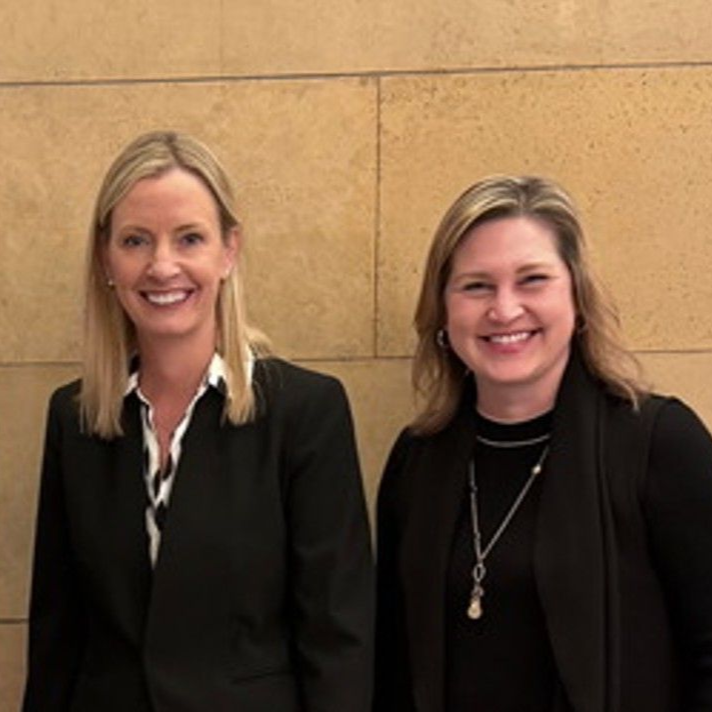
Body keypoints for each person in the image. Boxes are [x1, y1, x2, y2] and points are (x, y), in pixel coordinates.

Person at [22, 130, 373, 712]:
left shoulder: (305, 412)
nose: (163, 266)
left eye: (189, 238)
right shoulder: (76, 417)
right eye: (136, 240)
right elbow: (58, 634)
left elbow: (338, 638)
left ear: (228, 251)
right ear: (106, 258)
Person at [374, 175, 712, 712]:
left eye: (532, 280)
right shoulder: (417, 460)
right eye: (476, 285)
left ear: (578, 297)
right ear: (442, 309)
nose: (504, 310)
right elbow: (391, 664)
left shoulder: (660, 444)